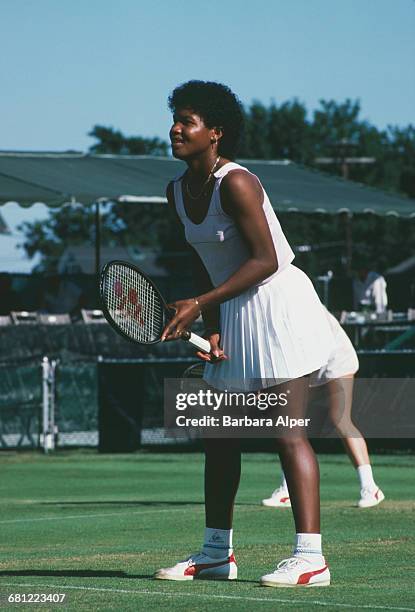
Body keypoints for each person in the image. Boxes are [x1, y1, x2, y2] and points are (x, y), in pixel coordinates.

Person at [155, 80, 335, 588]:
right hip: (230, 313)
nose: (175, 128)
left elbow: (267, 259)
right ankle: (216, 554)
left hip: (279, 307)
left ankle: (311, 558)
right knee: (219, 438)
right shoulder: (175, 190)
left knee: (287, 431)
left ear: (215, 133)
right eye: (175, 118)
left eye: (187, 121)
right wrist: (210, 327)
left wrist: (202, 304)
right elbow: (200, 263)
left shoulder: (237, 183)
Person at [262, 307, 385, 510]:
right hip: (309, 365)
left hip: (336, 358)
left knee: (340, 419)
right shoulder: (269, 312)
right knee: (291, 424)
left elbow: (306, 347)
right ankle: (287, 490)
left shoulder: (296, 304)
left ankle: (370, 488)